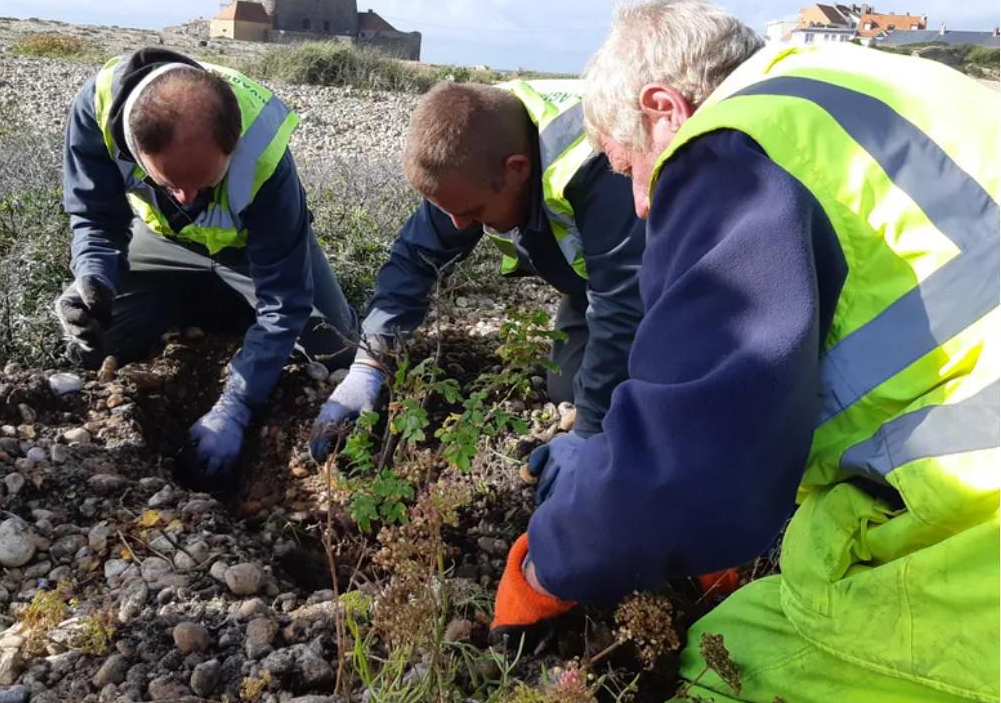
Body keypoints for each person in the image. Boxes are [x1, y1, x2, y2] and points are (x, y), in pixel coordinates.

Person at [490, 0, 999, 703]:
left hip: (983, 533)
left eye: (628, 165)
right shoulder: (858, 86)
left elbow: (684, 467)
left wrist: (549, 562)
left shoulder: (730, 146)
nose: (640, 203)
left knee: (720, 672)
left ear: (667, 108)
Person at [55, 48, 357, 486]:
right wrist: (93, 274)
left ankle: (232, 314)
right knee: (97, 332)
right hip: (163, 243)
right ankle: (216, 310)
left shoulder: (261, 144)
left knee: (337, 349)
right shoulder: (97, 110)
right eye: (170, 184)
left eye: (206, 182)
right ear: (134, 146)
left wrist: (238, 403)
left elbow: (285, 296)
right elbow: (94, 218)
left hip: (252, 254)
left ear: (231, 146)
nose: (188, 199)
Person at [306, 79, 646, 463]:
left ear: (516, 169)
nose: (460, 224)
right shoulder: (469, 149)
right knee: (568, 388)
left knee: (624, 403)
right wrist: (368, 366)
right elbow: (415, 257)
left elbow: (623, 303)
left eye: (471, 212)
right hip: (592, 281)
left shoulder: (596, 167)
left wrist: (587, 439)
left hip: (667, 280)